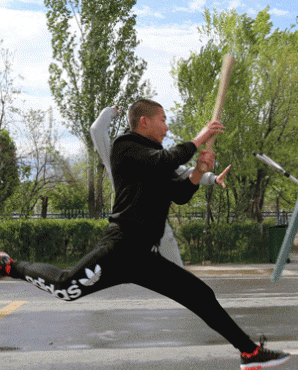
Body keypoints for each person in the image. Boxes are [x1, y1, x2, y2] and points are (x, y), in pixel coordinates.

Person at [0, 98, 290, 370]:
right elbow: (165, 159)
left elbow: (178, 195)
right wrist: (199, 139)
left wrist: (196, 172)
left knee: (201, 295)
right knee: (66, 288)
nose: (166, 127)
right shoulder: (126, 147)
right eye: (163, 121)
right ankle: (6, 266)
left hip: (144, 256)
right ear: (145, 121)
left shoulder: (158, 159)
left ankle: (249, 353)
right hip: (121, 248)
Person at [89, 105, 232, 267]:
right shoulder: (117, 155)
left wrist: (212, 178)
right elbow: (97, 131)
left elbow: (183, 171)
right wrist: (111, 111)